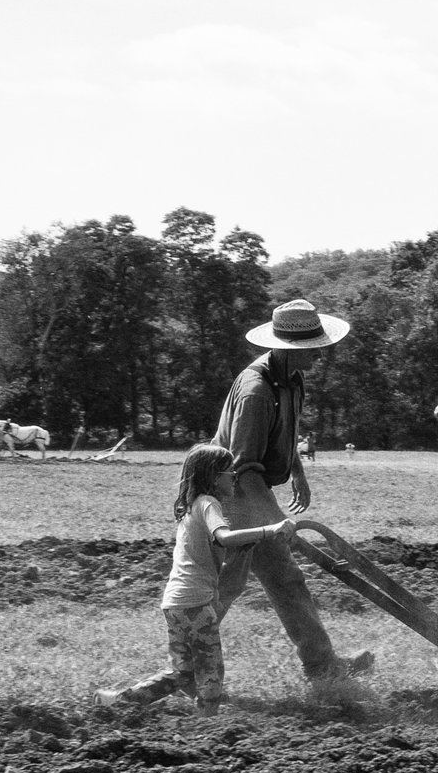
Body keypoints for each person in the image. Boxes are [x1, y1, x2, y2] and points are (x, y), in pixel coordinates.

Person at [212, 299, 373, 689]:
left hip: (250, 487)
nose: (320, 352)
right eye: (312, 346)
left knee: (283, 579)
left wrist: (296, 471)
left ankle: (322, 665)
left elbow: (283, 435)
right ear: (287, 348)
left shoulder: (290, 379)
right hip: (230, 492)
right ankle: (184, 657)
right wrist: (274, 522)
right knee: (231, 584)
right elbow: (241, 465)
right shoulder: (256, 391)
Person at [96, 444, 286, 713]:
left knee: (183, 673)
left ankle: (118, 701)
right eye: (229, 472)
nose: (233, 477)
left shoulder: (190, 506)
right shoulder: (209, 503)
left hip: (174, 603)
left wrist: (243, 545)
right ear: (213, 477)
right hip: (196, 604)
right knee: (211, 673)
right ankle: (206, 730)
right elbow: (223, 537)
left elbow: (207, 548)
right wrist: (270, 529)